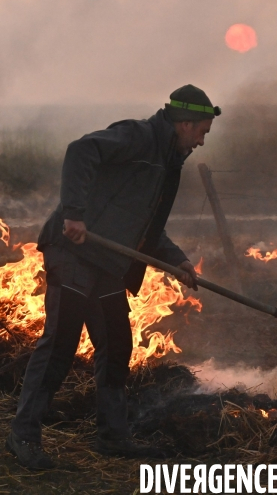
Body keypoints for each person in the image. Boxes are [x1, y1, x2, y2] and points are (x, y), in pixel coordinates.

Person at [6, 84, 221, 469]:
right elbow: (80, 150)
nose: (203, 141)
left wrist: (178, 260)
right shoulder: (138, 137)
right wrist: (73, 213)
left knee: (118, 344)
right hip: (72, 251)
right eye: (202, 131)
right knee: (59, 345)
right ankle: (24, 435)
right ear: (184, 123)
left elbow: (149, 228)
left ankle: (112, 436)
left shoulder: (167, 162)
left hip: (104, 264)